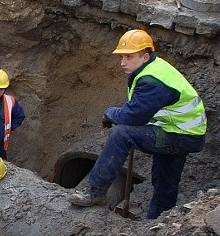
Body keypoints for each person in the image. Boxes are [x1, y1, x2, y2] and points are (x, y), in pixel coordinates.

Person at [69, 29, 207, 219]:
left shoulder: (152, 81)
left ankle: (96, 192)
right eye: (122, 57)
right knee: (165, 179)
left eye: (129, 57)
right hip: (183, 132)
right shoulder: (154, 69)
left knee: (121, 134)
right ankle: (157, 223)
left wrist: (110, 113)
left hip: (179, 134)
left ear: (145, 56)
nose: (123, 62)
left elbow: (133, 117)